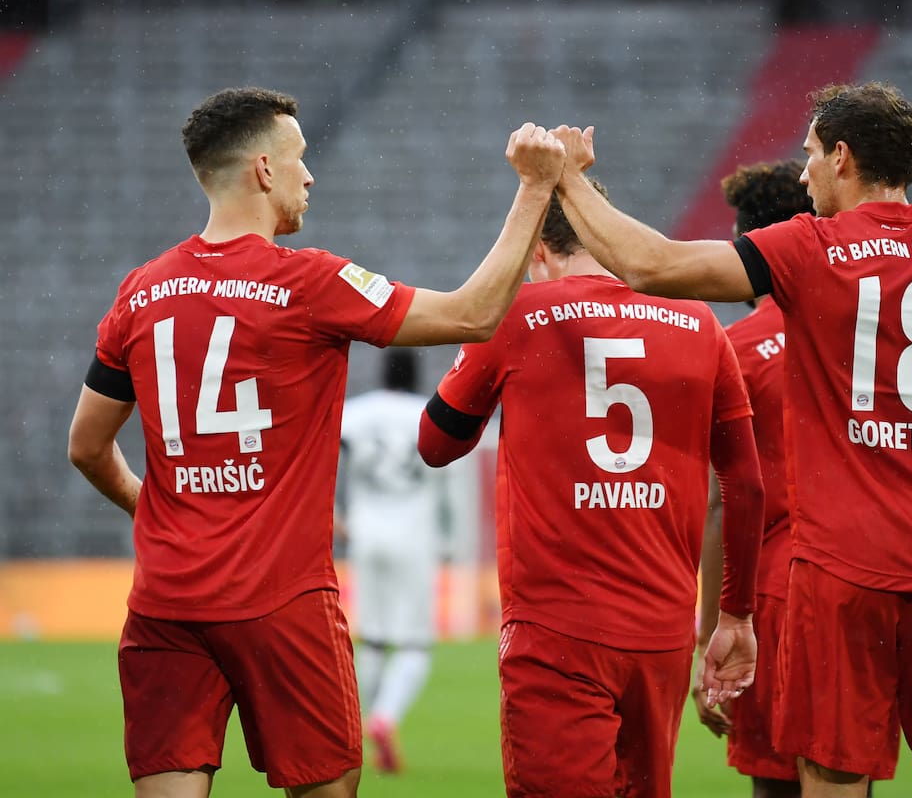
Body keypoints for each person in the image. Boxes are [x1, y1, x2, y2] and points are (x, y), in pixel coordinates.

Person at [549, 81, 912, 798]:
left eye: (810, 154)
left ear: (842, 157)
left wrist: (567, 179)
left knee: (833, 781)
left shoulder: (811, 249)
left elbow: (652, 264)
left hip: (845, 577)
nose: (803, 171)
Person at [66, 86, 564, 797]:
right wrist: (534, 188)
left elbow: (86, 446)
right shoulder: (311, 283)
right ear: (264, 170)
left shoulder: (140, 293)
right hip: (282, 601)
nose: (310, 175)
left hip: (166, 603)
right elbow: (472, 315)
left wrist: (152, 512)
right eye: (300, 159)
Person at [416, 180, 766, 798]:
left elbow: (436, 444)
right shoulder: (699, 322)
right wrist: (734, 613)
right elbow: (744, 482)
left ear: (536, 252)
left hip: (557, 629)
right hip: (661, 637)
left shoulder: (517, 316)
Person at [693, 159, 840, 798]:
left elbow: (725, 504)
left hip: (777, 591)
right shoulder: (856, 333)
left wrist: (708, 634)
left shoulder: (735, 349)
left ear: (749, 247)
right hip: (865, 579)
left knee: (777, 783)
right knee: (845, 772)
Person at [336, 348, 443, 775]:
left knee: (374, 638)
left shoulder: (357, 413)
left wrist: (332, 514)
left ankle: (351, 725)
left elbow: (320, 451)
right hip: (414, 536)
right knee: (416, 644)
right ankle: (385, 717)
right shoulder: (427, 412)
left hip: (365, 534)